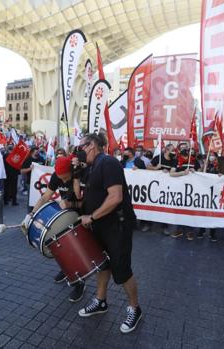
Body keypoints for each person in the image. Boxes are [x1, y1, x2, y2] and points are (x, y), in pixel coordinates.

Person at [77, 133, 142, 334]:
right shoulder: (91, 167)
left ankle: (135, 309)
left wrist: (92, 217)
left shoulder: (109, 162)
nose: (79, 151)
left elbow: (115, 198)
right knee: (102, 265)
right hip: (101, 226)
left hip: (117, 226)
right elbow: (84, 197)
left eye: (81, 147)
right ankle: (101, 301)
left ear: (91, 146)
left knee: (121, 269)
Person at [23, 156, 86, 303]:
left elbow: (83, 199)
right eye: (60, 178)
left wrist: (70, 203)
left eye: (65, 178)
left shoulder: (81, 175)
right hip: (66, 214)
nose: (62, 181)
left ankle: (79, 283)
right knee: (60, 245)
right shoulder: (56, 176)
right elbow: (45, 197)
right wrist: (31, 215)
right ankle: (66, 270)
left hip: (83, 214)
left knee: (75, 251)